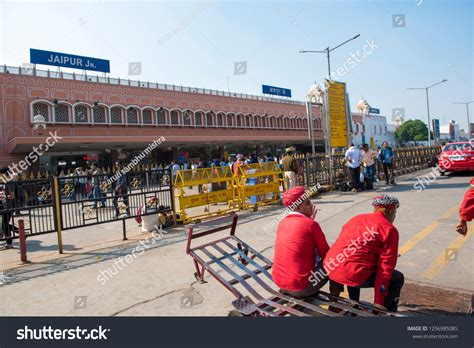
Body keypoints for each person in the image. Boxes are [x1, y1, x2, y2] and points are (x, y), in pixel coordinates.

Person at [324, 194, 404, 312]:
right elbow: (385, 269)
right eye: (395, 212)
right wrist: (378, 300)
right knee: (397, 278)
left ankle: (354, 306)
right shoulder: (389, 229)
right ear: (391, 211)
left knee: (355, 265)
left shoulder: (356, 218)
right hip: (352, 273)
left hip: (332, 267)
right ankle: (384, 312)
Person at [272, 186, 332, 297]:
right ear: (299, 207)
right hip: (301, 287)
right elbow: (326, 253)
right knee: (334, 260)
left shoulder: (282, 223)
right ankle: (335, 299)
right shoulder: (311, 225)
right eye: (308, 203)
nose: (312, 206)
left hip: (280, 283)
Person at [0, 166, 16, 249]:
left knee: (4, 225)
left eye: (1, 174)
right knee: (4, 225)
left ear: (6, 174)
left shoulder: (10, 182)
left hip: (10, 206)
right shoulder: (6, 182)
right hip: (5, 206)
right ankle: (21, 233)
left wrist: (2, 196)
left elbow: (12, 196)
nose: (0, 176)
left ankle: (9, 243)